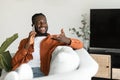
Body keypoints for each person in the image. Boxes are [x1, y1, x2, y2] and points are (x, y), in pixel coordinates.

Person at [11, 13, 83, 78]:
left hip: (39, 71)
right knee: (22, 70)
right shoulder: (24, 41)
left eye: (44, 22)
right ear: (33, 25)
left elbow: (80, 44)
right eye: (39, 23)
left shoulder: (54, 39)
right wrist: (27, 45)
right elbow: (14, 62)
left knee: (22, 73)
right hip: (22, 69)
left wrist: (66, 40)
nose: (42, 25)